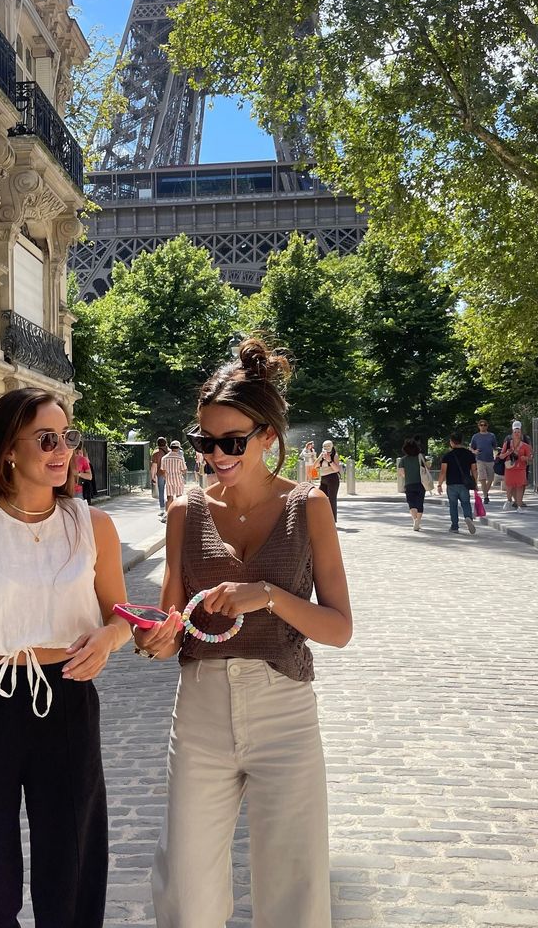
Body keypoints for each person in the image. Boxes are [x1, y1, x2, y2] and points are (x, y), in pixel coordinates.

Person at [133, 338, 353, 928]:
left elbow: (339, 628)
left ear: (267, 438)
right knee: (186, 888)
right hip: (200, 709)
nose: (216, 455)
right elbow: (171, 625)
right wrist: (153, 639)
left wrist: (270, 598)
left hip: (284, 708)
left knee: (294, 887)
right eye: (206, 442)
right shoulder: (185, 510)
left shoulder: (308, 508)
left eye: (232, 442)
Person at [0, 387, 131, 928]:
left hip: (68, 697)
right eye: (46, 439)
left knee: (73, 859)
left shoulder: (92, 524)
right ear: (9, 448)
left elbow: (123, 615)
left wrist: (109, 638)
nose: (62, 450)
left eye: (68, 438)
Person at [437, 431, 478, 534]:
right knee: (466, 503)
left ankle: (454, 526)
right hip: (465, 484)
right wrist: (475, 483)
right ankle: (468, 518)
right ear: (461, 441)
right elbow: (474, 470)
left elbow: (443, 472)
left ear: (451, 442)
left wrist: (439, 484)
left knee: (453, 505)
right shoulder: (469, 454)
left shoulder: (447, 456)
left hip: (451, 484)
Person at [499, 421, 532, 511]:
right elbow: (501, 456)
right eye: (515, 432)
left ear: (521, 432)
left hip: (521, 468)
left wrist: (525, 458)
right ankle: (509, 500)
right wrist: (507, 453)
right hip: (510, 467)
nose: (517, 434)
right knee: (509, 485)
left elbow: (530, 457)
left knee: (520, 486)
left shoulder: (525, 444)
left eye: (518, 432)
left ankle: (519, 504)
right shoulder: (508, 443)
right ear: (512, 433)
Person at [398, 437, 430, 531]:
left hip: (409, 484)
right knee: (420, 503)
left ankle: (415, 520)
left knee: (411, 503)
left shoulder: (403, 460)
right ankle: (418, 521)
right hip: (421, 483)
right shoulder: (421, 457)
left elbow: (401, 473)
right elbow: (427, 467)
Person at [469, 419, 498, 504]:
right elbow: (471, 447)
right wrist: (474, 451)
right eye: (481, 425)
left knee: (491, 479)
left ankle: (486, 493)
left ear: (487, 426)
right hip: (480, 459)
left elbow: (495, 446)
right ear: (478, 426)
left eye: (485, 425)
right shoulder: (475, 436)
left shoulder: (491, 435)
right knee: (482, 478)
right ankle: (485, 497)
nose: (483, 426)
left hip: (490, 459)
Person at [160, 440, 187, 520]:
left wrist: (166, 476)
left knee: (169, 498)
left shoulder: (164, 458)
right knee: (179, 497)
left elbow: (162, 470)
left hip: (168, 479)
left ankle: (168, 515)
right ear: (178, 448)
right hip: (178, 479)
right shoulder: (180, 458)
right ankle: (179, 514)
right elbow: (184, 470)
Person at [316, 439, 341, 521]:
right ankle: (321, 517)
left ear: (331, 447)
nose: (326, 448)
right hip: (323, 479)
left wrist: (329, 460)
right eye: (324, 446)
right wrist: (320, 458)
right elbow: (314, 465)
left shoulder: (335, 455)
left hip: (332, 478)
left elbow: (337, 469)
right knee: (319, 498)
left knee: (332, 499)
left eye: (328, 446)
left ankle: (332, 520)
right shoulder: (322, 455)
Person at [150, 436, 170, 520]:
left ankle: (162, 509)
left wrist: (153, 476)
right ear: (166, 443)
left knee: (161, 491)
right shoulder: (170, 451)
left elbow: (154, 466)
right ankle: (169, 508)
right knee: (170, 492)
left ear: (157, 443)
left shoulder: (156, 453)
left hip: (160, 474)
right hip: (170, 474)